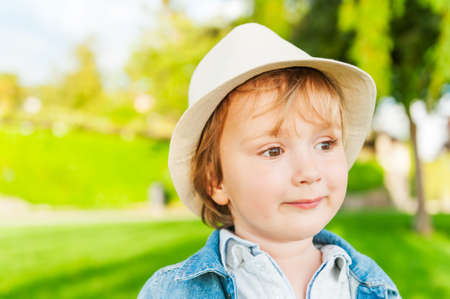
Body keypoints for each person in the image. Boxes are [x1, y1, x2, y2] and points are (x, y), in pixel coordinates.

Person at [138, 23, 401, 299]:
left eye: (325, 144)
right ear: (216, 181)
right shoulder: (175, 292)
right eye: (273, 151)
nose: (309, 173)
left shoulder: (373, 288)